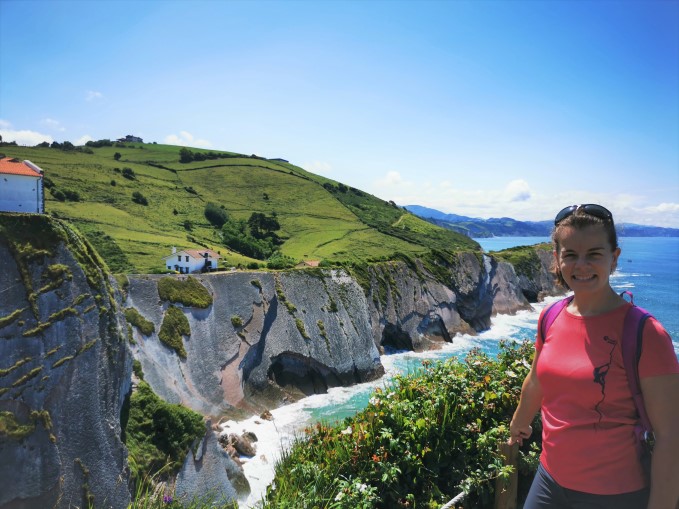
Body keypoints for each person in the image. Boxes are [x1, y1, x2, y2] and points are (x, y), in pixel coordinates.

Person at [509, 204, 679, 509]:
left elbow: (671, 436)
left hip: (614, 494)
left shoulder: (646, 333)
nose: (582, 265)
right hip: (549, 481)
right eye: (571, 255)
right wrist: (520, 419)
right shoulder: (551, 316)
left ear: (614, 258)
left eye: (594, 254)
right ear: (557, 259)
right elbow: (537, 378)